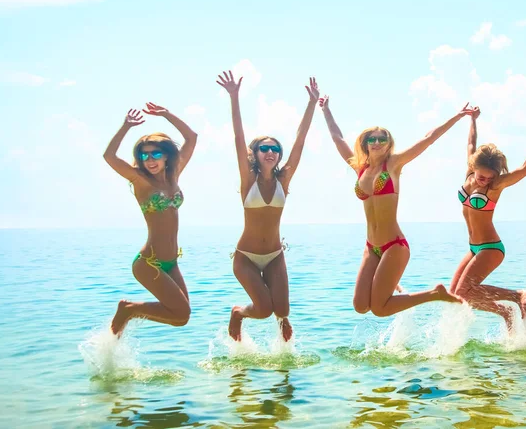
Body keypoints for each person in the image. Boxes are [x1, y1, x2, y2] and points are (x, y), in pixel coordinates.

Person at [319, 95, 470, 317]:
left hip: (394, 245)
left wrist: (456, 117)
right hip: (372, 247)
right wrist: (325, 110)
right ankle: (392, 283)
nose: (378, 142)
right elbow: (337, 138)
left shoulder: (394, 164)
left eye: (383, 138)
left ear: (389, 143)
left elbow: (428, 138)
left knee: (380, 309)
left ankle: (435, 293)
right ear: (365, 143)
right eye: (373, 139)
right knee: (361, 306)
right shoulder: (359, 168)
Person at [217, 70, 318, 341]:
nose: (270, 152)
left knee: (282, 310)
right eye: (264, 148)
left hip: (275, 254)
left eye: (275, 149)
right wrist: (234, 97)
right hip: (246, 257)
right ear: (256, 154)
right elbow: (238, 139)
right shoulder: (247, 180)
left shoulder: (283, 180)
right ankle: (238, 313)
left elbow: (300, 141)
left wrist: (311, 105)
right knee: (262, 311)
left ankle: (285, 381)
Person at [103, 102, 197, 336]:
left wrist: (167, 114)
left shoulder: (174, 175)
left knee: (181, 317)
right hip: (148, 262)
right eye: (145, 156)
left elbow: (191, 137)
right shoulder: (140, 180)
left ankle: (130, 311)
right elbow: (109, 156)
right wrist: (126, 127)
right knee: (179, 312)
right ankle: (128, 310)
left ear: (167, 156)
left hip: (171, 263)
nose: (150, 160)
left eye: (156, 154)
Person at [450, 107, 526, 329]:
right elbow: (471, 144)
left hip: (491, 248)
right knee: (456, 296)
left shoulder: (495, 187)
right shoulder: (469, 173)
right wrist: (472, 120)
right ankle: (505, 313)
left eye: (489, 177)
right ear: (474, 168)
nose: (484, 180)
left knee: (464, 292)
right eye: (481, 175)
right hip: (474, 248)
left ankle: (516, 295)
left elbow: (525, 170)